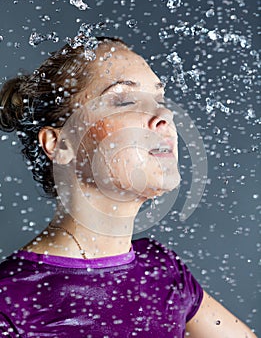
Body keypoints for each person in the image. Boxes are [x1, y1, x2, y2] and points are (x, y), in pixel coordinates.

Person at [0, 35, 256, 338]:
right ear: (60, 144)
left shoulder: (162, 270)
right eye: (124, 100)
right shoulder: (11, 300)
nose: (165, 115)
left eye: (159, 100)